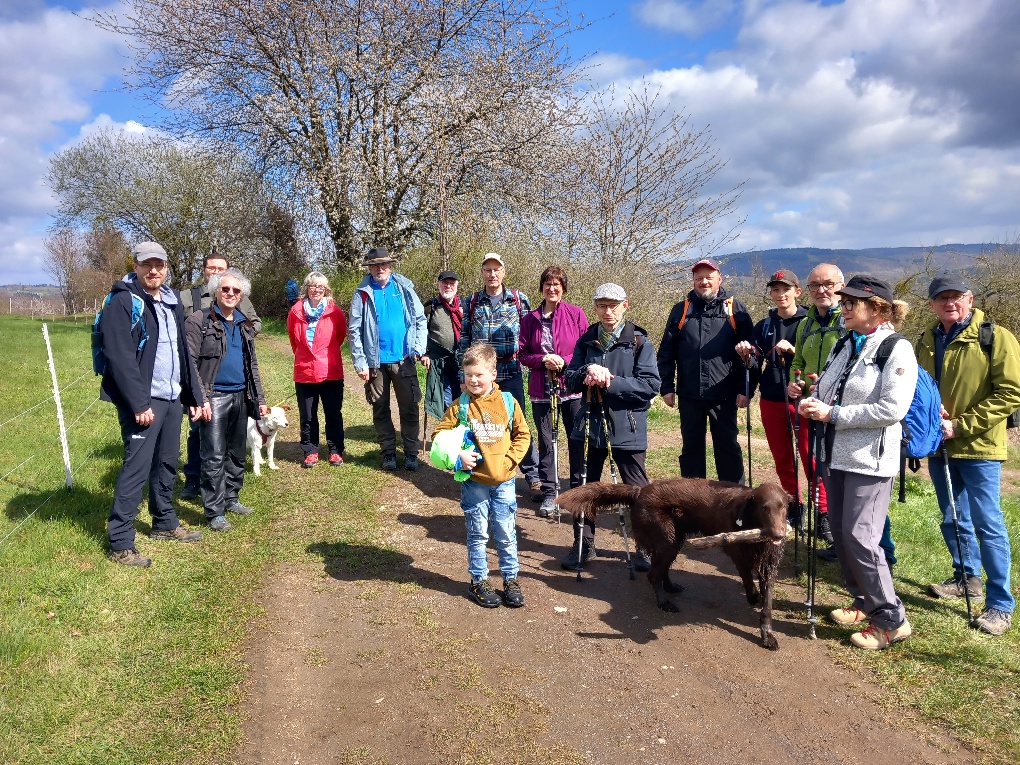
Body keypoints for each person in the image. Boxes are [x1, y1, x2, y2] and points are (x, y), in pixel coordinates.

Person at [798, 275, 916, 650]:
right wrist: (811, 396)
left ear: (877, 309)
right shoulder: (846, 342)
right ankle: (863, 601)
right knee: (841, 531)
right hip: (835, 454)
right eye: (843, 301)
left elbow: (892, 409)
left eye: (851, 302)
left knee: (860, 537)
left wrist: (832, 414)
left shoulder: (896, 349)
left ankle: (892, 620)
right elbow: (828, 389)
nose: (843, 307)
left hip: (870, 460)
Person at [917, 274, 1020, 636]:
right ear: (932, 304)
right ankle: (966, 579)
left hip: (979, 446)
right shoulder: (926, 339)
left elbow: (1010, 393)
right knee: (952, 517)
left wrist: (960, 425)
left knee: (987, 523)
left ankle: (1000, 604)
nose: (950, 303)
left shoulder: (996, 337)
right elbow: (919, 388)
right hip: (939, 444)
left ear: (970, 299)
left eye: (956, 296)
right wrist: (930, 415)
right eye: (942, 298)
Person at [100, 241, 205, 566]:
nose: (153, 270)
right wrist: (138, 403)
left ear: (166, 268)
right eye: (147, 264)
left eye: (159, 264)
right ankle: (120, 542)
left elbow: (182, 352)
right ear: (136, 266)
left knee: (167, 463)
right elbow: (119, 356)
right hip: (143, 402)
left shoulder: (171, 301)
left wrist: (193, 396)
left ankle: (164, 522)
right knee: (136, 467)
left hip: (171, 397)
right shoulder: (123, 301)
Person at [560, 283, 661, 571]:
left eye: (613, 306)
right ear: (595, 308)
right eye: (602, 306)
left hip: (628, 426)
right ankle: (583, 544)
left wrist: (611, 382)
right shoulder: (586, 340)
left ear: (624, 306)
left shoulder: (639, 342)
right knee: (583, 488)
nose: (608, 311)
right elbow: (570, 380)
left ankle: (646, 547)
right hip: (589, 425)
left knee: (638, 490)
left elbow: (650, 385)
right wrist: (586, 372)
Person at [432, 342, 533, 608]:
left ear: (493, 374)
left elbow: (523, 435)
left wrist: (509, 461)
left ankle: (510, 579)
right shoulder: (460, 406)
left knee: (506, 533)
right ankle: (479, 581)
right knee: (477, 534)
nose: (474, 380)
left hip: (505, 481)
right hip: (474, 482)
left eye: (479, 374)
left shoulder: (508, 403)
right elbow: (439, 436)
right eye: (469, 375)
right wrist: (458, 456)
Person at [657, 259, 753, 484]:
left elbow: (751, 354)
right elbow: (667, 352)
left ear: (719, 278)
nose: (704, 282)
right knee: (691, 449)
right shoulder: (681, 309)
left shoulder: (736, 309)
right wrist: (666, 387)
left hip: (724, 395)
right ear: (693, 281)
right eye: (699, 278)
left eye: (709, 277)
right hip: (689, 394)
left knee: (727, 448)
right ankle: (693, 499)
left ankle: (733, 498)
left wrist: (744, 389)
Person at [185, 268, 268, 530]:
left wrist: (260, 398)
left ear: (242, 295)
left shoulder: (244, 323)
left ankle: (232, 498)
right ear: (215, 291)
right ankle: (214, 510)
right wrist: (200, 399)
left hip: (241, 395)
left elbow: (252, 364)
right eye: (225, 289)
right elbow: (190, 363)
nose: (231, 293)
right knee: (213, 454)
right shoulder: (199, 320)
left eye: (236, 290)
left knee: (235, 452)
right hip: (213, 397)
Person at [458, 253, 542, 499]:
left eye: (496, 270)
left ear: (503, 272)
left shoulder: (518, 299)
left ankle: (533, 476)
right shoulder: (472, 301)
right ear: (482, 273)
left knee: (518, 424)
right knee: (480, 424)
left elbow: (529, 337)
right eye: (487, 270)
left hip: (510, 371)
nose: (492, 274)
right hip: (479, 377)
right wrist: (463, 375)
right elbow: (464, 339)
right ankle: (483, 471)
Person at [735, 270, 807, 522]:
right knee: (783, 458)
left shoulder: (809, 323)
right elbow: (755, 364)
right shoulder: (764, 325)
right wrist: (747, 356)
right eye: (775, 289)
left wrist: (794, 350)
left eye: (786, 289)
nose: (780, 294)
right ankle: (795, 507)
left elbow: (819, 360)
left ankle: (823, 512)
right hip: (771, 398)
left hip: (804, 399)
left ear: (797, 292)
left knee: (810, 457)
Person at [519, 265, 590, 517]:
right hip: (542, 389)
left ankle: (576, 493)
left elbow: (586, 349)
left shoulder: (576, 314)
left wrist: (564, 360)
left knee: (576, 439)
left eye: (556, 284)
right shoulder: (530, 319)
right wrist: (543, 359)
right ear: (542, 287)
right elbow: (523, 354)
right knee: (547, 441)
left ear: (563, 288)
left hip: (572, 389)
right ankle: (550, 493)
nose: (552, 288)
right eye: (548, 284)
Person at [349, 247, 427, 471]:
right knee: (380, 408)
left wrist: (418, 348)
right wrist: (360, 362)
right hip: (375, 363)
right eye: (374, 265)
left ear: (390, 266)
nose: (379, 268)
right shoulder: (362, 293)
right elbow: (354, 330)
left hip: (404, 359)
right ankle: (389, 453)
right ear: (369, 268)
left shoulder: (404, 288)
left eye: (383, 264)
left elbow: (420, 320)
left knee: (409, 408)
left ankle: (411, 454)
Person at [785, 263, 844, 553]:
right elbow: (798, 361)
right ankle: (826, 518)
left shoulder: (848, 320)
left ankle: (834, 523)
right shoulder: (806, 323)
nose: (821, 290)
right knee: (815, 462)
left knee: (836, 469)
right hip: (810, 407)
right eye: (815, 285)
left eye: (828, 284)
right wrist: (793, 383)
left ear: (841, 286)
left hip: (839, 410)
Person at [287, 271, 348, 467]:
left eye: (320, 286)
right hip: (304, 371)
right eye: (313, 285)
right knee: (307, 415)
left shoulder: (335, 312)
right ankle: (310, 450)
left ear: (326, 289)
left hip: (330, 370)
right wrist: (307, 357)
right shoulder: (295, 312)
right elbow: (294, 340)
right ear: (306, 288)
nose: (317, 289)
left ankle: (335, 450)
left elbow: (340, 337)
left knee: (333, 413)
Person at [422, 270, 467, 421]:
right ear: (439, 285)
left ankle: (461, 431)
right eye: (445, 283)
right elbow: (421, 331)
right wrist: (425, 353)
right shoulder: (431, 306)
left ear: (457, 285)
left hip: (462, 362)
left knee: (463, 399)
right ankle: (448, 429)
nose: (448, 286)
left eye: (451, 283)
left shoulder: (465, 306)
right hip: (440, 363)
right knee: (446, 400)